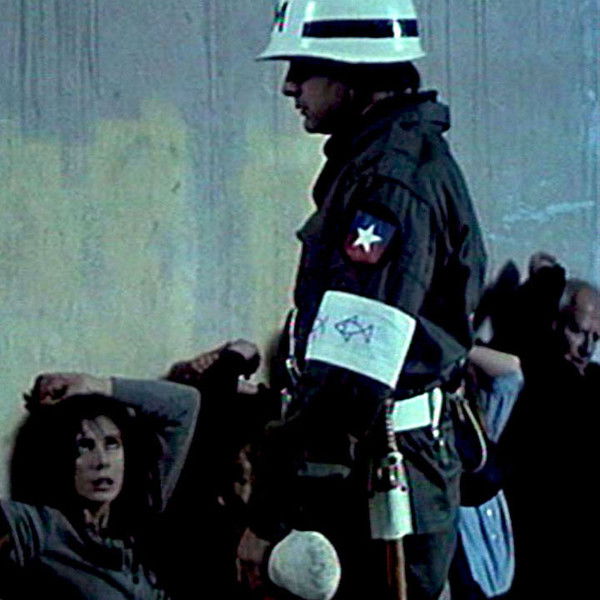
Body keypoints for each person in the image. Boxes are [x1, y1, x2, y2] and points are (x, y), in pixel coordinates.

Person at [239, 1, 487, 598]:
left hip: (376, 464)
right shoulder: (383, 163)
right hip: (377, 457)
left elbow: (352, 374)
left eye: (304, 68)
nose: (289, 86)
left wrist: (267, 513)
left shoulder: (388, 183)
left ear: (353, 75)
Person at [1, 372, 199, 599]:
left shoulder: (139, 509)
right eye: (85, 446)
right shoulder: (43, 527)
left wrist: (95, 385)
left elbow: (184, 405)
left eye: (112, 444)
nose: (102, 461)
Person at [449, 345, 523, 600]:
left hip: (500, 570)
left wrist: (455, 346)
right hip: (467, 569)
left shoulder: (480, 422)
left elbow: (510, 371)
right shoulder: (433, 434)